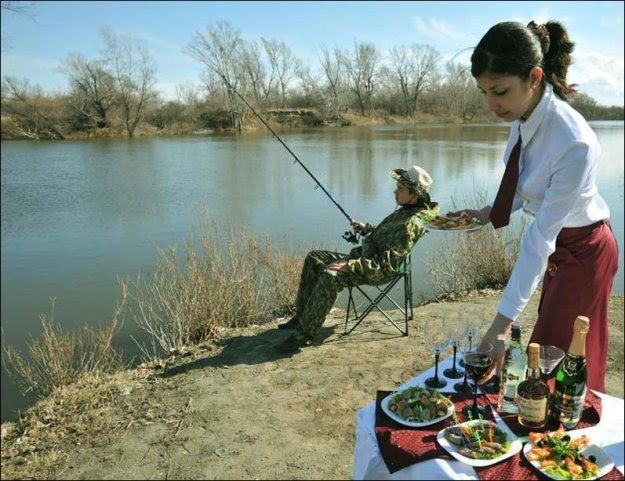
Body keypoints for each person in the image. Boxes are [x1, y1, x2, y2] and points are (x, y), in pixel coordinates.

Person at [453, 20, 618, 392]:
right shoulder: (522, 114)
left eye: (499, 91)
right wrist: (486, 213)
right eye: (483, 92)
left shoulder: (573, 143)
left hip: (586, 251)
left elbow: (539, 238)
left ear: (534, 77)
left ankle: (570, 443)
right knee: (543, 355)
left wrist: (500, 326)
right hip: (562, 246)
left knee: (559, 361)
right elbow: (525, 186)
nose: (491, 105)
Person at [276, 165, 438, 354]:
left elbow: (386, 265)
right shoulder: (406, 209)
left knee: (331, 274)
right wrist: (367, 228)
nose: (395, 191)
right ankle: (302, 316)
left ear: (414, 196)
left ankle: (303, 335)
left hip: (375, 270)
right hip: (365, 259)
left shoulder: (409, 224)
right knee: (314, 258)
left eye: (400, 189)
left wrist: (349, 266)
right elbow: (386, 237)